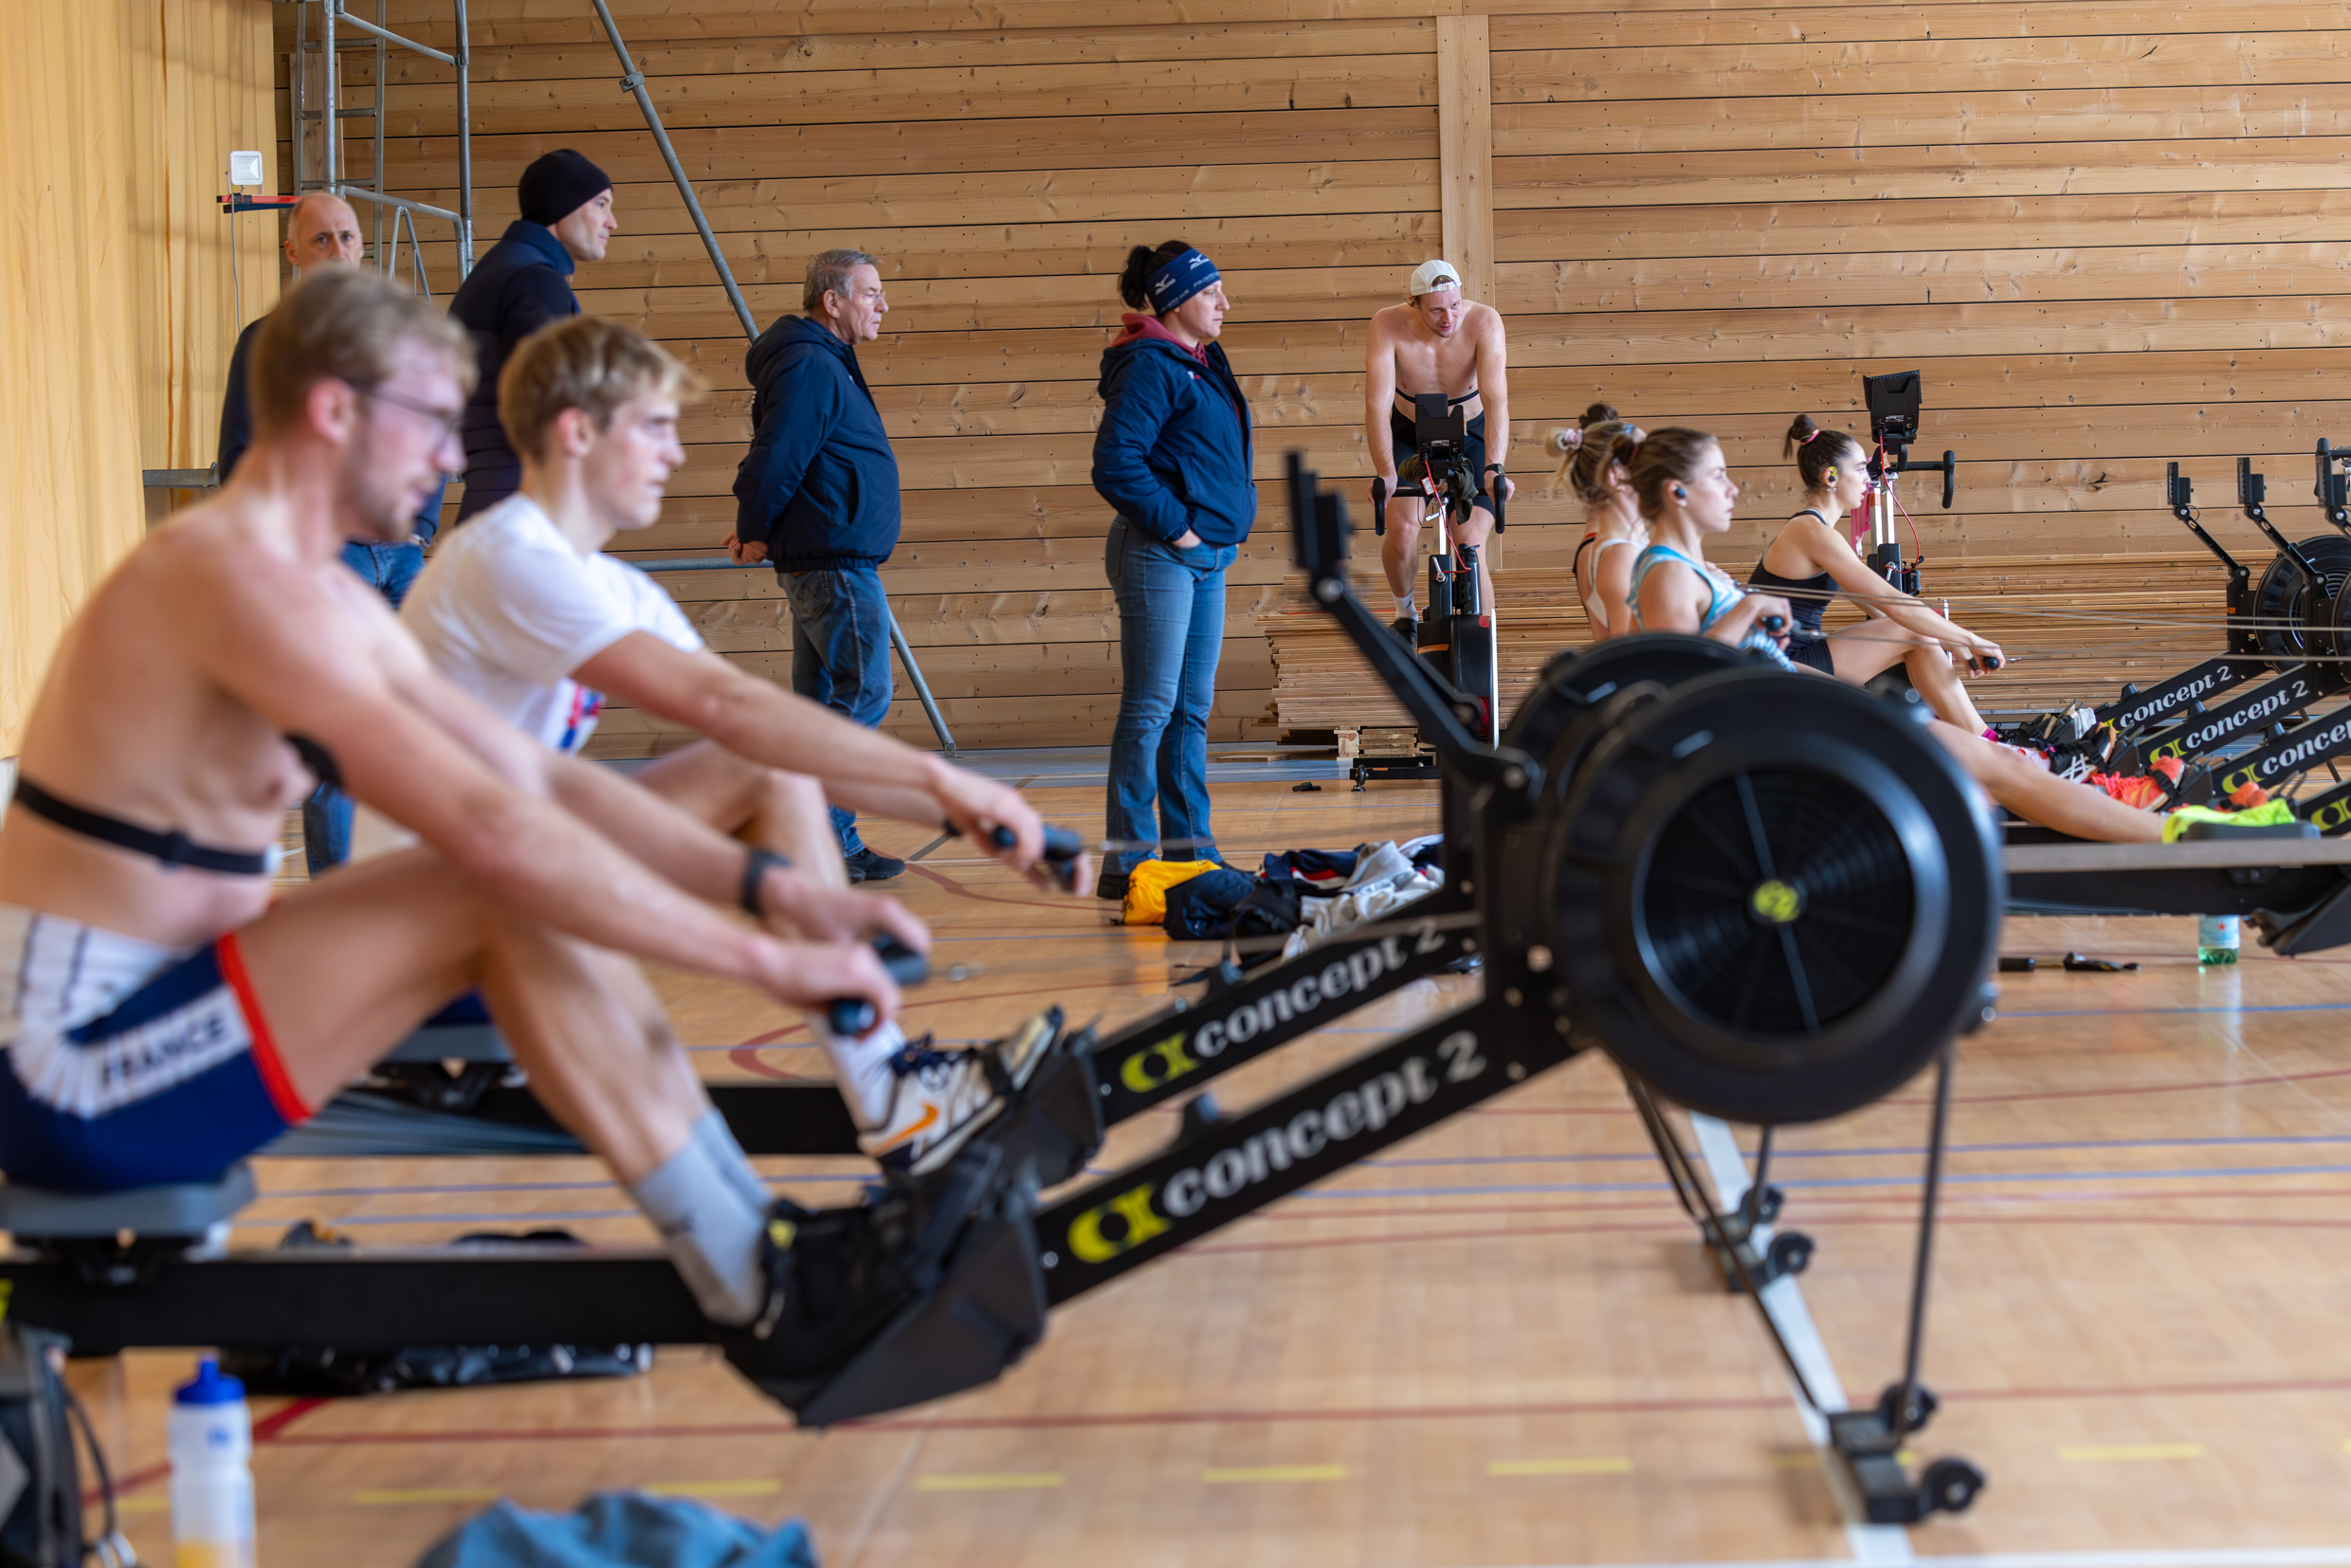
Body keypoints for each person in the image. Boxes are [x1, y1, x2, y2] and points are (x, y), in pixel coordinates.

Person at [0, 267, 927, 1367]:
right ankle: (758, 1279)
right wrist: (766, 958)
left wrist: (775, 897)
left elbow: (536, 783)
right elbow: (491, 831)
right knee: (493, 881)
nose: (452, 458)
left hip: (173, 1020)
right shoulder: (232, 583)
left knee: (513, 871)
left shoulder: (332, 597)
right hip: (68, 1076)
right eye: (434, 424)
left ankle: (759, 1248)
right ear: (335, 410)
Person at [397, 314, 1092, 1174]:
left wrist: (988, 820)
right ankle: (885, 1089)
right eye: (653, 427)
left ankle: (879, 1094)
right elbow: (727, 707)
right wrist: (952, 788)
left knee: (773, 773)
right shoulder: (509, 558)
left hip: (525, 858)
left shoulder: (611, 585)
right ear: (576, 432)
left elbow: (787, 741)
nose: (675, 453)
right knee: (756, 768)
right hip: (432, 902)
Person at [1619, 426, 2172, 844]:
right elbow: (1683, 686)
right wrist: (1751, 611)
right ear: (1678, 492)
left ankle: (2140, 818)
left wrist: (1953, 634)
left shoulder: (1690, 566)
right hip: (1785, 712)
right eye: (1718, 476)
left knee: (1993, 770)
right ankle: (2174, 838)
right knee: (1988, 775)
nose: (1734, 488)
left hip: (1789, 692)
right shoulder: (1670, 569)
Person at [218, 190, 431, 873]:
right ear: (291, 254)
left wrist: (421, 524)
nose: (339, 251)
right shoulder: (264, 346)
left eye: (346, 237)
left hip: (400, 557)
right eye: (322, 241)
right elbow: (239, 459)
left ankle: (407, 894)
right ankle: (341, 902)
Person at [721, 249, 906, 884]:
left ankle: (825, 842)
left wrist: (759, 526)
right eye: (871, 294)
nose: (883, 305)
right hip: (834, 564)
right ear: (833, 301)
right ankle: (813, 840)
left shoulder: (822, 361)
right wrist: (752, 529)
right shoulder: (810, 364)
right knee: (864, 693)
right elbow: (777, 455)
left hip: (828, 556)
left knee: (826, 706)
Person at [1088, 241, 1252, 903]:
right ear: (1179, 298)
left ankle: (1190, 852)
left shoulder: (1201, 358)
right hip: (1163, 554)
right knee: (1152, 707)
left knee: (1190, 708)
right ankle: (1128, 859)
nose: (1225, 304)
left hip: (1207, 559)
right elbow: (1115, 462)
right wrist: (1179, 527)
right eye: (1213, 293)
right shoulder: (1150, 367)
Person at [1751, 413, 2006, 735]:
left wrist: (1945, 638)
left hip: (1793, 655)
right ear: (1831, 477)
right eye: (1859, 469)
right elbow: (1890, 602)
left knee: (1915, 634)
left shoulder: (1815, 530)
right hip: (1780, 665)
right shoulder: (1811, 532)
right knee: (1913, 632)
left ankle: (1985, 743)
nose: (1868, 479)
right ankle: (1990, 746)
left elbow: (1874, 606)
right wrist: (1969, 639)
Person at [446, 148, 616, 524]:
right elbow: (545, 403)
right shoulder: (535, 280)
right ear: (563, 208)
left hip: (496, 494)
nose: (612, 222)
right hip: (521, 497)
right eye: (601, 205)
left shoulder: (502, 268)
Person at [1365, 260, 1515, 639]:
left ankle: (1484, 643)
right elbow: (1376, 405)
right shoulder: (1386, 323)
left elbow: (1497, 402)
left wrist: (1494, 466)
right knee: (1400, 531)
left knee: (1468, 542)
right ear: (1413, 303)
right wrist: (1385, 470)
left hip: (1472, 432)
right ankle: (1405, 615)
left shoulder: (1484, 321)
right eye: (1436, 309)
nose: (1449, 318)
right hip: (1409, 431)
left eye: (1454, 305)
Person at [1557, 403, 1646, 642]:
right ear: (1615, 474)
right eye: (1644, 460)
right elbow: (1629, 652)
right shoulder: (1615, 552)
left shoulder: (1625, 543)